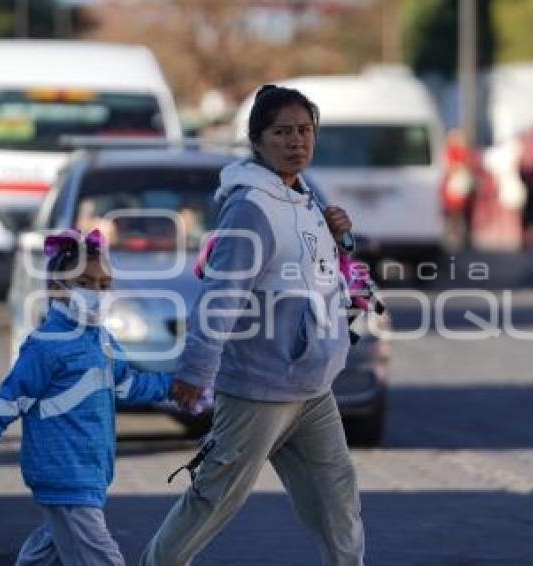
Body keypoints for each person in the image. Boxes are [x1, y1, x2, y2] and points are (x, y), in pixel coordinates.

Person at [140, 84, 365, 566]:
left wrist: (344, 240)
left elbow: (325, 279)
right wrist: (195, 373)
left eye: (304, 130)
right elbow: (221, 297)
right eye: (282, 132)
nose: (296, 141)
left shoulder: (303, 199)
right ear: (257, 140)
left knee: (338, 498)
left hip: (312, 388)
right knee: (213, 501)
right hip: (259, 389)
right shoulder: (251, 207)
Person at [0, 229, 176, 566]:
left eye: (104, 285)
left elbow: (126, 387)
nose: (97, 292)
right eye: (85, 282)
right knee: (101, 556)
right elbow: (10, 401)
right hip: (64, 472)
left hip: (91, 471)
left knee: (49, 548)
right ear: (56, 287)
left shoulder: (103, 340)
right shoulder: (46, 344)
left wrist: (175, 386)